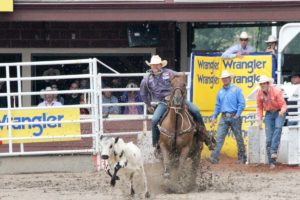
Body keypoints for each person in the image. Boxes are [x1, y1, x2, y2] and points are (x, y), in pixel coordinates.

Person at [140, 55, 209, 153]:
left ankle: (205, 135)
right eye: (153, 65)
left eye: (157, 65)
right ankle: (156, 143)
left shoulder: (169, 73)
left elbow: (181, 75)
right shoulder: (146, 80)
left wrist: (181, 80)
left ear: (161, 65)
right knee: (155, 119)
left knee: (196, 111)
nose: (155, 67)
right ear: (150, 66)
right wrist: (148, 104)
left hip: (178, 100)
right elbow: (143, 93)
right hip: (163, 102)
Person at [210, 70, 247, 164]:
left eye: (226, 78)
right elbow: (217, 106)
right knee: (219, 137)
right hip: (224, 116)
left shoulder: (236, 89)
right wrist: (214, 117)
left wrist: (237, 114)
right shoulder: (220, 92)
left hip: (234, 115)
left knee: (238, 137)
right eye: (223, 78)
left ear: (230, 79)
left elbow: (242, 103)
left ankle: (242, 157)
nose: (225, 79)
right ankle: (214, 157)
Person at [256, 75, 287, 169]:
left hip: (278, 112)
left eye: (264, 83)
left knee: (278, 128)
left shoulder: (277, 91)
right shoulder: (259, 93)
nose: (262, 85)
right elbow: (259, 107)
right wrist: (260, 119)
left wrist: (282, 111)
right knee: (269, 137)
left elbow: (283, 105)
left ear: (268, 84)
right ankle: (271, 161)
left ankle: (273, 152)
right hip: (269, 113)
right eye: (261, 84)